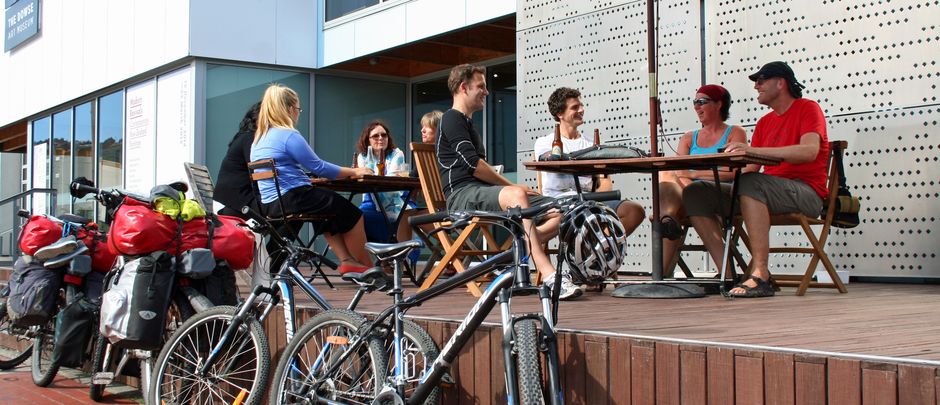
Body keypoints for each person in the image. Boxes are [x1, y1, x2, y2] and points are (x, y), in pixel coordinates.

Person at [683, 61, 829, 297]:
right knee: (696, 192)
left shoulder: (807, 108)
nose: (756, 87)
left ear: (780, 83)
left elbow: (809, 151)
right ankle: (728, 274)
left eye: (761, 81)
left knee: (749, 183)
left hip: (806, 194)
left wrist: (753, 152)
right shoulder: (764, 123)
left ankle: (760, 274)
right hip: (765, 192)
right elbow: (751, 167)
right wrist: (708, 174)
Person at [437, 64, 576, 299]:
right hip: (461, 196)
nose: (486, 92)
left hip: (481, 191)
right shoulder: (451, 118)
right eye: (481, 86)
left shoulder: (467, 123)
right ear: (463, 87)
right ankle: (551, 276)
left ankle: (517, 248)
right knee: (517, 196)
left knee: (564, 209)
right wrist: (512, 187)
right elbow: (475, 166)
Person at [250, 83, 375, 275]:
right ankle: (368, 267)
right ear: (290, 109)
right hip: (294, 197)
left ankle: (347, 260)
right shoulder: (288, 135)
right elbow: (319, 167)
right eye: (298, 109)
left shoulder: (258, 140)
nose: (298, 113)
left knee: (326, 210)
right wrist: (354, 172)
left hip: (271, 204)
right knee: (354, 214)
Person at [532, 87, 646, 291]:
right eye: (575, 107)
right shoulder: (545, 142)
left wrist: (601, 197)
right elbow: (549, 159)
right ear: (560, 114)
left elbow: (604, 181)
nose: (581, 110)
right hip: (559, 201)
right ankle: (533, 239)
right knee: (581, 214)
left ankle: (593, 258)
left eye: (581, 105)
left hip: (589, 201)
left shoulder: (590, 144)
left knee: (634, 211)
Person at [657, 84, 747, 274]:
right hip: (689, 195)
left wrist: (695, 175)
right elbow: (679, 172)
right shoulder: (689, 137)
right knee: (665, 174)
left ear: (718, 104)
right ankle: (668, 219)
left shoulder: (734, 133)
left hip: (721, 195)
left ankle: (661, 271)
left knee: (674, 200)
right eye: (695, 102)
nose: (696, 106)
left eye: (702, 102)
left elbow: (732, 172)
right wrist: (689, 185)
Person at [354, 120, 417, 243]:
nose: (381, 138)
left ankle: (391, 254)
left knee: (358, 219)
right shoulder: (362, 157)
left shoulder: (396, 154)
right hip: (370, 203)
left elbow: (389, 182)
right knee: (350, 217)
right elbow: (367, 176)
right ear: (368, 140)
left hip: (395, 203)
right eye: (375, 136)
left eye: (384, 135)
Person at [215, 102, 262, 219]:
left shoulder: (242, 136)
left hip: (232, 198)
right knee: (290, 207)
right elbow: (256, 170)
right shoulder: (251, 138)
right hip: (239, 201)